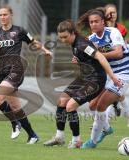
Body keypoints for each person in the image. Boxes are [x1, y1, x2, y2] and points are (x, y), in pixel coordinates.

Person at [43, 20, 122, 148]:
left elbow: (100, 57)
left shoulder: (81, 44)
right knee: (61, 102)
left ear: (73, 33)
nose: (63, 40)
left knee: (70, 106)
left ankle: (76, 141)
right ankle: (59, 137)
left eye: (65, 37)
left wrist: (112, 76)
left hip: (95, 80)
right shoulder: (75, 43)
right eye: (60, 38)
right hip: (84, 78)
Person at [0, 5, 52, 144]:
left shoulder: (19, 31)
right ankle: (32, 135)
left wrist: (45, 50)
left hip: (16, 70)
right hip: (2, 72)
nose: (2, 17)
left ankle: (15, 123)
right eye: (0, 15)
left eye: (5, 14)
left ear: (11, 15)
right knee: (15, 107)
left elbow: (33, 43)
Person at [77, 8, 129, 149]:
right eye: (91, 22)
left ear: (103, 22)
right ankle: (107, 129)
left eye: (97, 21)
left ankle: (93, 142)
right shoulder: (91, 39)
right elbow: (89, 58)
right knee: (92, 106)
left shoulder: (113, 32)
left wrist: (97, 54)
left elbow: (119, 53)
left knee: (101, 105)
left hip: (124, 74)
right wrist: (79, 58)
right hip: (108, 75)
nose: (94, 24)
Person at [104, 4, 129, 127]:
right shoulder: (100, 29)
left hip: (120, 69)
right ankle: (124, 113)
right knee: (116, 95)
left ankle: (107, 120)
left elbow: (122, 46)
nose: (112, 15)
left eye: (114, 12)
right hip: (107, 68)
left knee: (112, 95)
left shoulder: (121, 29)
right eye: (109, 12)